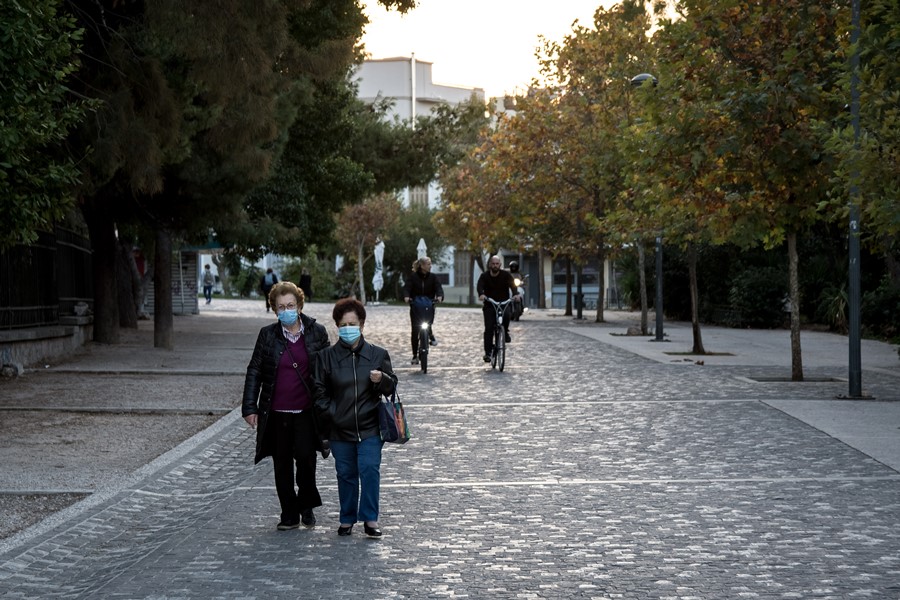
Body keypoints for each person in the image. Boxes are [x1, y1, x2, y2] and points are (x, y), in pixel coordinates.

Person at [242, 282, 330, 531]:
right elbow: (255, 370)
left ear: (299, 306)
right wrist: (250, 407)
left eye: (290, 305)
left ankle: (307, 504)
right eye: (281, 307)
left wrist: (330, 404)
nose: (286, 310)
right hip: (277, 411)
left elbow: (327, 370)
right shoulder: (267, 335)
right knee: (281, 465)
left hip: (306, 411)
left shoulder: (317, 332)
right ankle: (288, 513)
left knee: (306, 460)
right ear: (274, 310)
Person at [313, 298, 397, 538]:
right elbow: (318, 392)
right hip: (340, 428)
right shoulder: (325, 358)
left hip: (370, 427)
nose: (348, 327)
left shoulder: (378, 354)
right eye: (343, 324)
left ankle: (370, 518)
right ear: (337, 326)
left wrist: (383, 380)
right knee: (346, 473)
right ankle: (347, 518)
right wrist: (332, 413)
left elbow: (391, 388)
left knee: (370, 469)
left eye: (353, 323)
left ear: (362, 324)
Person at [476, 255, 520, 363]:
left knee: (506, 316)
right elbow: (480, 285)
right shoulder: (484, 276)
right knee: (489, 328)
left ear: (500, 265)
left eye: (497, 264)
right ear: (490, 265)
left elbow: (513, 286)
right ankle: (488, 353)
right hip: (490, 305)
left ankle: (505, 332)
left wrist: (516, 294)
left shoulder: (506, 275)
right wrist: (481, 294)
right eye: (493, 264)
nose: (495, 266)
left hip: (503, 303)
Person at [402, 256, 443, 364]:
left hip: (429, 305)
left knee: (428, 322)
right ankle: (415, 355)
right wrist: (406, 296)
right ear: (422, 265)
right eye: (428, 264)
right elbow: (407, 288)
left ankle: (430, 334)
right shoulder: (413, 277)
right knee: (415, 331)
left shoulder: (433, 277)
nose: (430, 266)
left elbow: (438, 288)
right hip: (415, 307)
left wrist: (439, 296)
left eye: (430, 264)